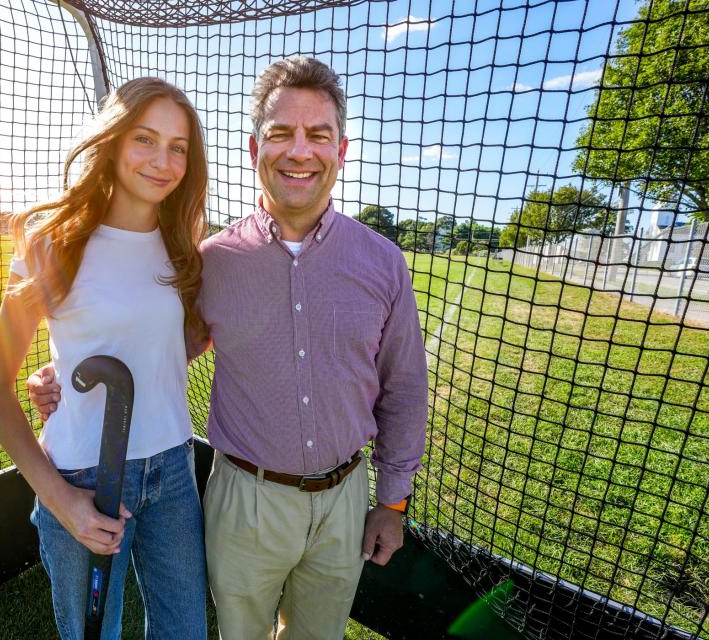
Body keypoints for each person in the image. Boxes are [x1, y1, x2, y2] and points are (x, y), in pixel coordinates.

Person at [30, 57, 428, 639]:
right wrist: (65, 373)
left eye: (319, 135)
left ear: (341, 150)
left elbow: (405, 390)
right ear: (254, 149)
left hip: (345, 498)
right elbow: (160, 347)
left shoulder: (382, 262)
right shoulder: (211, 262)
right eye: (281, 134)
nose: (300, 151)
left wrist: (391, 505)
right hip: (246, 499)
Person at [0, 77, 209, 640]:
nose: (163, 161)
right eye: (145, 139)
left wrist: (94, 363)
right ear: (113, 139)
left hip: (174, 471)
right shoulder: (51, 241)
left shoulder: (184, 242)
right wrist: (61, 502)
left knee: (186, 631)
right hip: (84, 475)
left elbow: (186, 339)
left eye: (178, 147)